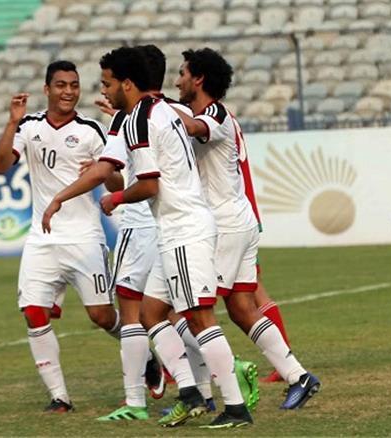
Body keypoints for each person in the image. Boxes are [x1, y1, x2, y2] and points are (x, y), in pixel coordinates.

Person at [43, 46, 251, 428]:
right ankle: (191, 393)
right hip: (173, 229)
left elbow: (150, 186)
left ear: (127, 83)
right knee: (153, 313)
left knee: (201, 317)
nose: (104, 91)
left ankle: (235, 406)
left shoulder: (141, 119)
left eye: (107, 83)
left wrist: (115, 198)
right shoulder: (158, 110)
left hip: (184, 228)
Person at [173, 47, 320, 409]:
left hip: (224, 224)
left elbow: (192, 128)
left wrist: (153, 105)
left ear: (198, 79)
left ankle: (211, 392)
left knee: (189, 311)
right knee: (240, 307)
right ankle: (299, 376)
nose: (177, 81)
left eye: (181, 74)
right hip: (237, 220)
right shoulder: (209, 113)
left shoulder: (213, 114)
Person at [0, 60, 121, 413]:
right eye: (61, 85)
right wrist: (11, 122)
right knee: (33, 312)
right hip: (42, 237)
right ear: (47, 89)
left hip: (84, 237)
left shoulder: (92, 130)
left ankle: (147, 358)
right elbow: (1, 164)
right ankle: (60, 396)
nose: (68, 91)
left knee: (101, 317)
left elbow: (117, 182)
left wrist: (99, 172)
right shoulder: (29, 125)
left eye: (74, 85)